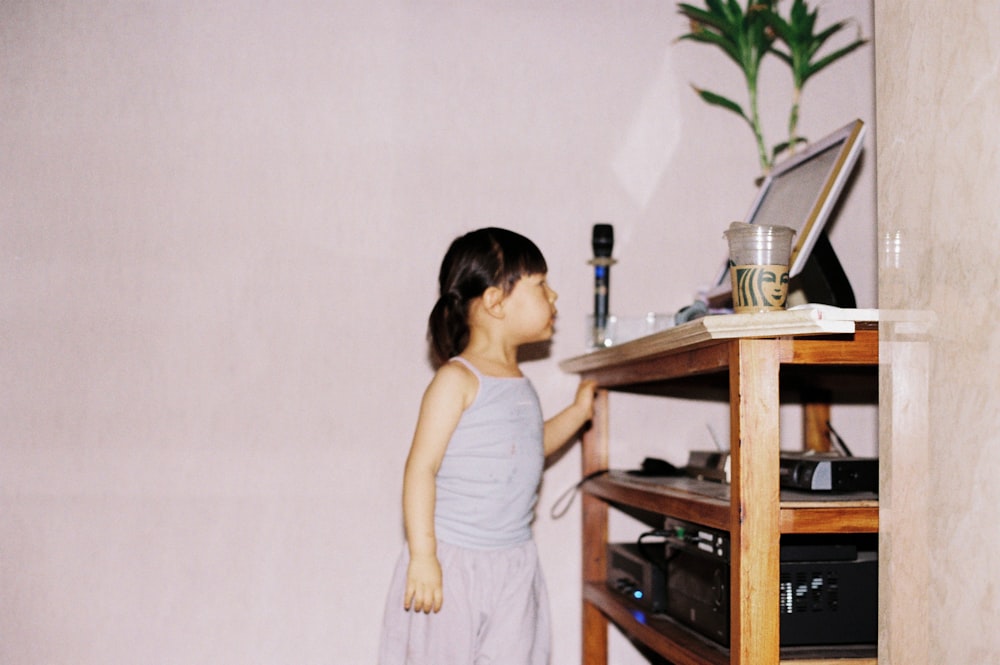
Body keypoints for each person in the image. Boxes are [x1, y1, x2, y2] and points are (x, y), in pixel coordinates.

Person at [378, 227, 597, 665]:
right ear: (495, 301)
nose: (554, 297)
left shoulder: (519, 385)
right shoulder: (456, 380)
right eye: (541, 285)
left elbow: (531, 448)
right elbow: (420, 468)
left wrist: (576, 414)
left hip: (514, 563)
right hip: (452, 564)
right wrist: (423, 556)